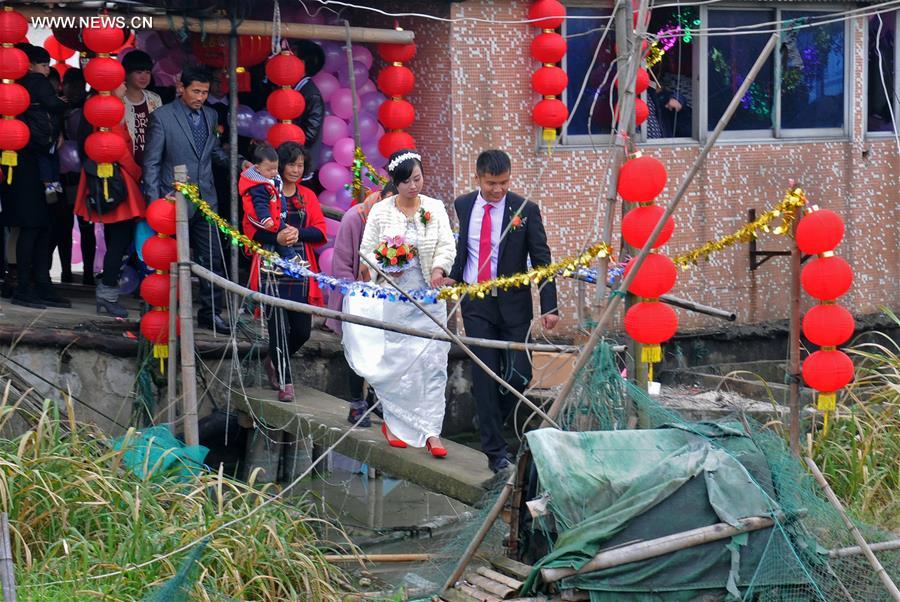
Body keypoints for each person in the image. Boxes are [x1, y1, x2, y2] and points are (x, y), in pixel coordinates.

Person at [446, 150, 559, 473]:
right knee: (485, 375)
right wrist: (453, 275)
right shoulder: (464, 205)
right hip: (476, 302)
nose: (498, 190)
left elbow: (542, 260)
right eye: (491, 183)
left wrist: (550, 306)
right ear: (478, 178)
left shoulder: (525, 209)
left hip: (514, 305)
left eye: (504, 183)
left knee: (519, 375)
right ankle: (495, 451)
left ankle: (491, 414)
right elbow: (464, 249)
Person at [343, 150, 456, 457]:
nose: (413, 186)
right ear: (395, 182)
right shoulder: (381, 211)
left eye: (417, 179)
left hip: (429, 298)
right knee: (399, 363)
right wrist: (387, 265)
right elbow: (367, 253)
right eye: (406, 182)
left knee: (433, 363)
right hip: (395, 296)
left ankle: (432, 431)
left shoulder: (435, 208)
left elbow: (446, 245)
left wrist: (438, 269)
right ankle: (393, 423)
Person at [143, 65, 248, 333]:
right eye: (196, 91)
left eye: (205, 92)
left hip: (206, 198)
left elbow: (213, 152)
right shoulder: (162, 117)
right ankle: (165, 311)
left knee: (212, 258)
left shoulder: (211, 115)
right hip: (172, 201)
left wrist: (240, 163)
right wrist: (154, 204)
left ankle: (211, 314)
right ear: (181, 88)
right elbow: (152, 163)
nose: (201, 97)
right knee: (167, 260)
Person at [246, 142, 327, 402]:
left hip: (299, 267)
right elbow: (251, 230)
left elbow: (320, 231)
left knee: (302, 331)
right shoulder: (264, 190)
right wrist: (277, 237)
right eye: (291, 164)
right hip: (271, 265)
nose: (296, 169)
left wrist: (296, 233)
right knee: (278, 327)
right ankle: (286, 382)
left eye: (300, 165)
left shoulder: (307, 196)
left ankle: (273, 360)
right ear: (279, 165)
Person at [0, 45, 71, 309]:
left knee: (39, 225)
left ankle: (37, 283)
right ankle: (26, 286)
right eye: (43, 64)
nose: (47, 70)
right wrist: (64, 103)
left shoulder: (11, 89)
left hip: (23, 165)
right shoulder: (34, 82)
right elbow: (55, 105)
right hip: (32, 164)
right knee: (35, 225)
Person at [326, 181, 397, 427]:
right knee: (358, 348)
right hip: (356, 295)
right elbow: (342, 265)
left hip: (386, 295)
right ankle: (356, 402)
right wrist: (358, 294)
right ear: (380, 197)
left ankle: (374, 397)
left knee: (385, 350)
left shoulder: (399, 222)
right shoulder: (354, 218)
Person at [74, 82, 145, 318]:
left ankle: (107, 293)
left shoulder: (97, 112)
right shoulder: (110, 115)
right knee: (119, 241)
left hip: (108, 180)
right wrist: (138, 173)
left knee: (115, 239)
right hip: (119, 182)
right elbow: (121, 152)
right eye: (120, 83)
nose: (124, 86)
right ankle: (107, 294)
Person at [239, 143, 303, 273]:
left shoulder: (272, 179)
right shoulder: (259, 186)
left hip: (275, 215)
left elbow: (279, 196)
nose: (274, 172)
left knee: (276, 236)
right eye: (269, 170)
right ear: (258, 168)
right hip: (263, 218)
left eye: (275, 168)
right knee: (277, 233)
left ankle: (269, 263)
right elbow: (260, 205)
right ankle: (290, 257)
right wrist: (266, 219)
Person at [121, 50, 163, 168]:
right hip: (125, 165)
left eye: (148, 72)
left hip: (151, 165)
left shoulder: (155, 99)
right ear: (126, 74)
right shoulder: (117, 101)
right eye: (139, 72)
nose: (144, 77)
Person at [290, 40, 325, 177]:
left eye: (293, 56)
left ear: (302, 63)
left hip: (299, 165)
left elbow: (309, 135)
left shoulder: (311, 94)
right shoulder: (295, 89)